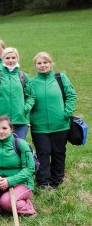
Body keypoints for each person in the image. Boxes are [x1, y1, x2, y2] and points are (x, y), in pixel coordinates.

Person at [29, 51, 77, 189]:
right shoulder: (31, 82)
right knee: (43, 153)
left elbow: (71, 95)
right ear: (35, 66)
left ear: (51, 64)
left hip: (60, 125)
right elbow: (28, 100)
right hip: (39, 126)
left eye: (45, 62)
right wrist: (32, 118)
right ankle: (43, 182)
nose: (43, 65)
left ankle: (57, 180)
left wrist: (66, 113)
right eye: (39, 63)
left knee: (58, 153)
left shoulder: (60, 78)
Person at [0, 116, 36, 216]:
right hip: (0, 181)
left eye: (4, 128)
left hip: (21, 182)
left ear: (11, 129)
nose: (1, 131)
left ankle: (27, 208)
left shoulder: (21, 144)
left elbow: (29, 169)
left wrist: (10, 181)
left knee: (6, 202)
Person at [0, 47, 34, 139]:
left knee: (18, 148)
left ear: (17, 59)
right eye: (7, 58)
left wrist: (25, 108)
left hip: (21, 121)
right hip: (2, 123)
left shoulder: (23, 76)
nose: (10, 60)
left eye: (13, 57)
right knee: (5, 150)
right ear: (3, 59)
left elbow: (31, 96)